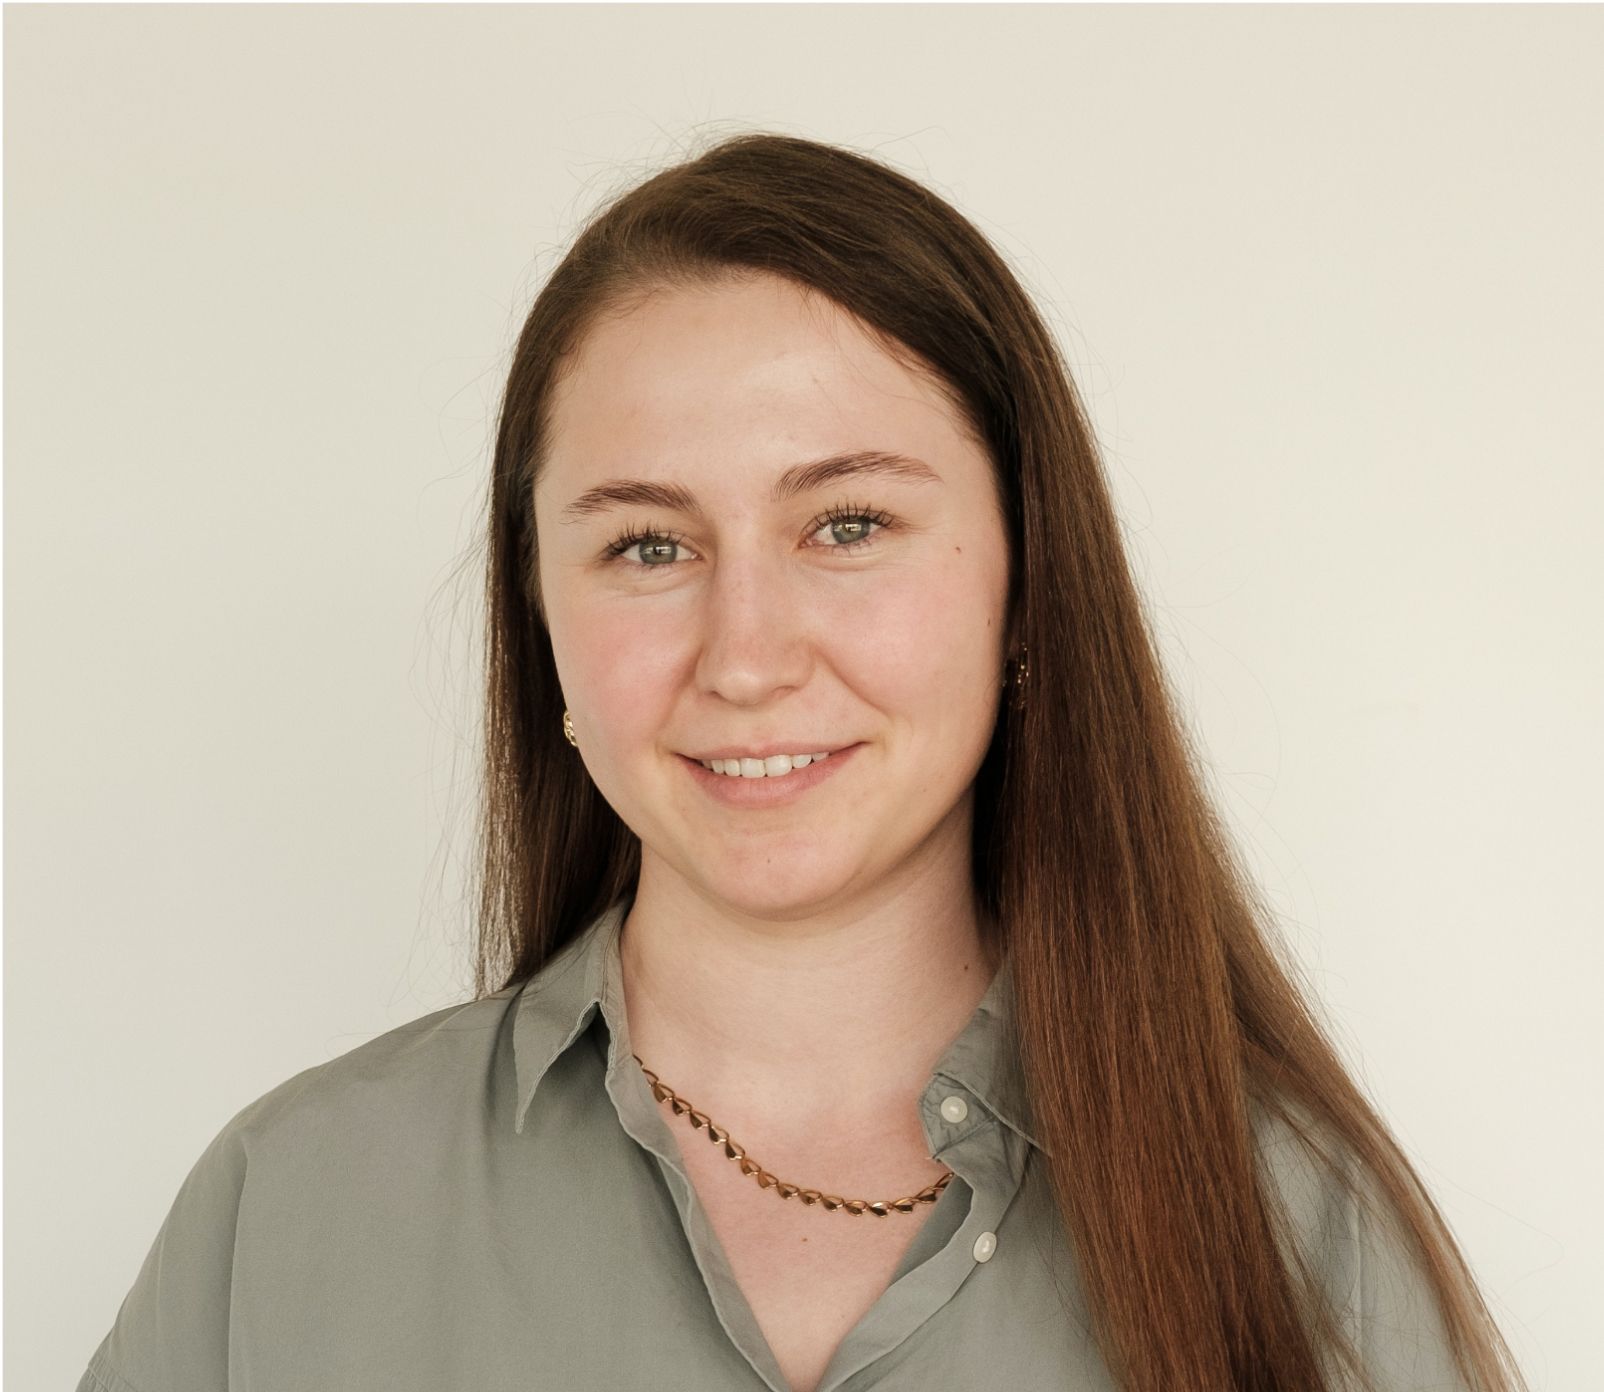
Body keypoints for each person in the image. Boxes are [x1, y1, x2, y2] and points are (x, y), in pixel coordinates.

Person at [76, 131, 1528, 1392]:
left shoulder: (1301, 1235)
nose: (748, 654)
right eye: (647, 544)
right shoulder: (290, 1216)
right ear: (544, 629)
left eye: (846, 526)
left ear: (1026, 586)